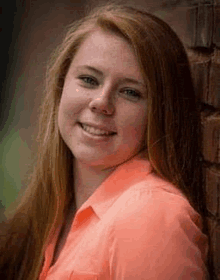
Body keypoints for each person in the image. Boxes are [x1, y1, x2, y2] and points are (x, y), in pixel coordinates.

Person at [0, 3, 213, 280]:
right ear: (61, 86)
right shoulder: (51, 210)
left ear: (160, 112)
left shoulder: (151, 216)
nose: (101, 103)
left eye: (130, 92)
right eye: (89, 79)